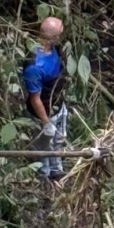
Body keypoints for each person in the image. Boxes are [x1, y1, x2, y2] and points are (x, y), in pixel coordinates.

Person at [22, 17, 68, 180]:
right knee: (44, 146)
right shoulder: (33, 65)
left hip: (57, 104)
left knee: (59, 140)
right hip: (44, 110)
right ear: (53, 37)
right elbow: (35, 98)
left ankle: (57, 170)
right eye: (60, 34)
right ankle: (44, 177)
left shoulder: (56, 48)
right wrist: (45, 122)